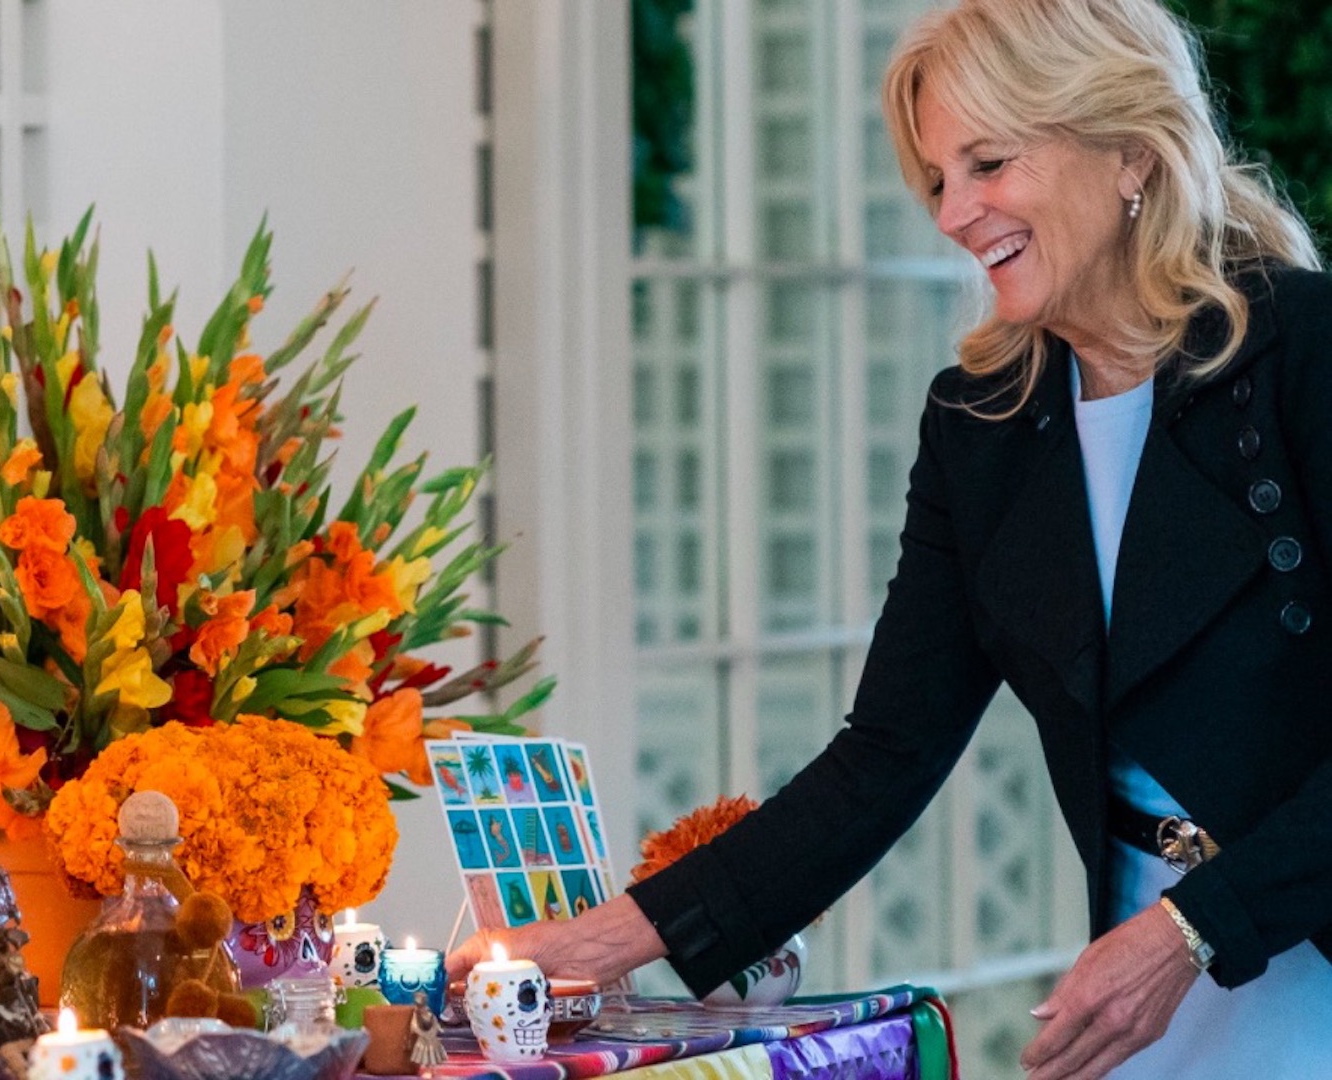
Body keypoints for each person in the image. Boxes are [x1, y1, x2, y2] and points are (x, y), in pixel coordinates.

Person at [449, 0, 1332, 1076]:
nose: (955, 214)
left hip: (1267, 950)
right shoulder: (981, 426)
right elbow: (884, 757)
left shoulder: (1306, 354)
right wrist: (588, 948)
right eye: (936, 180)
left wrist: (1193, 930)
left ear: (1129, 153)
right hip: (1140, 998)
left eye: (988, 163)